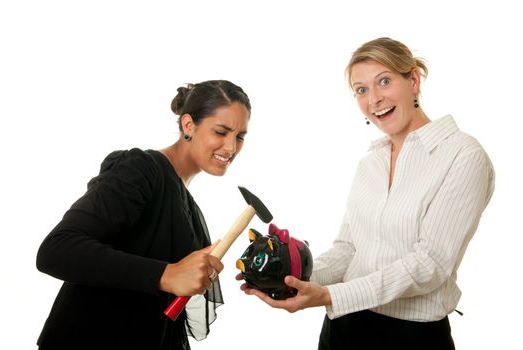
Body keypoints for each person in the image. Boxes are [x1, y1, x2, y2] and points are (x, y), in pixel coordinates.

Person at [239, 37, 495, 349]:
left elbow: (430, 265)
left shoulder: (463, 155)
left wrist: (332, 295)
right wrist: (290, 277)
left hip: (411, 338)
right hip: (342, 329)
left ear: (413, 80)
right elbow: (349, 249)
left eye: (384, 81)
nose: (373, 99)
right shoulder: (371, 162)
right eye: (361, 90)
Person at [36, 79, 251, 350]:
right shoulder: (141, 170)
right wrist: (167, 274)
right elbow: (56, 250)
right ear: (188, 125)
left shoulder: (191, 211)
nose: (231, 147)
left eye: (240, 136)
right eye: (221, 132)